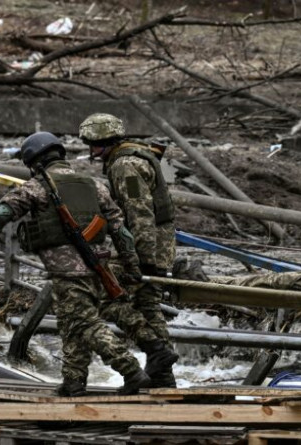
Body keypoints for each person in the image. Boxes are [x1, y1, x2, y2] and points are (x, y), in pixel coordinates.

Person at [0, 132, 151, 397]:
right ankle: (74, 382)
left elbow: (1, 214)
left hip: (68, 271)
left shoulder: (36, 187)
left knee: (85, 324)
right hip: (98, 268)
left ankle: (131, 370)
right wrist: (131, 267)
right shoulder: (94, 184)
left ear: (34, 161)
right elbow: (121, 230)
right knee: (72, 324)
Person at [79, 113, 178, 387]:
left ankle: (156, 354)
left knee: (104, 298)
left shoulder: (125, 166)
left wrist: (143, 261)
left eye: (93, 143)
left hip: (148, 248)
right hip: (156, 245)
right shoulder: (132, 157)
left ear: (105, 141)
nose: (91, 150)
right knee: (148, 306)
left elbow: (139, 211)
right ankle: (162, 374)